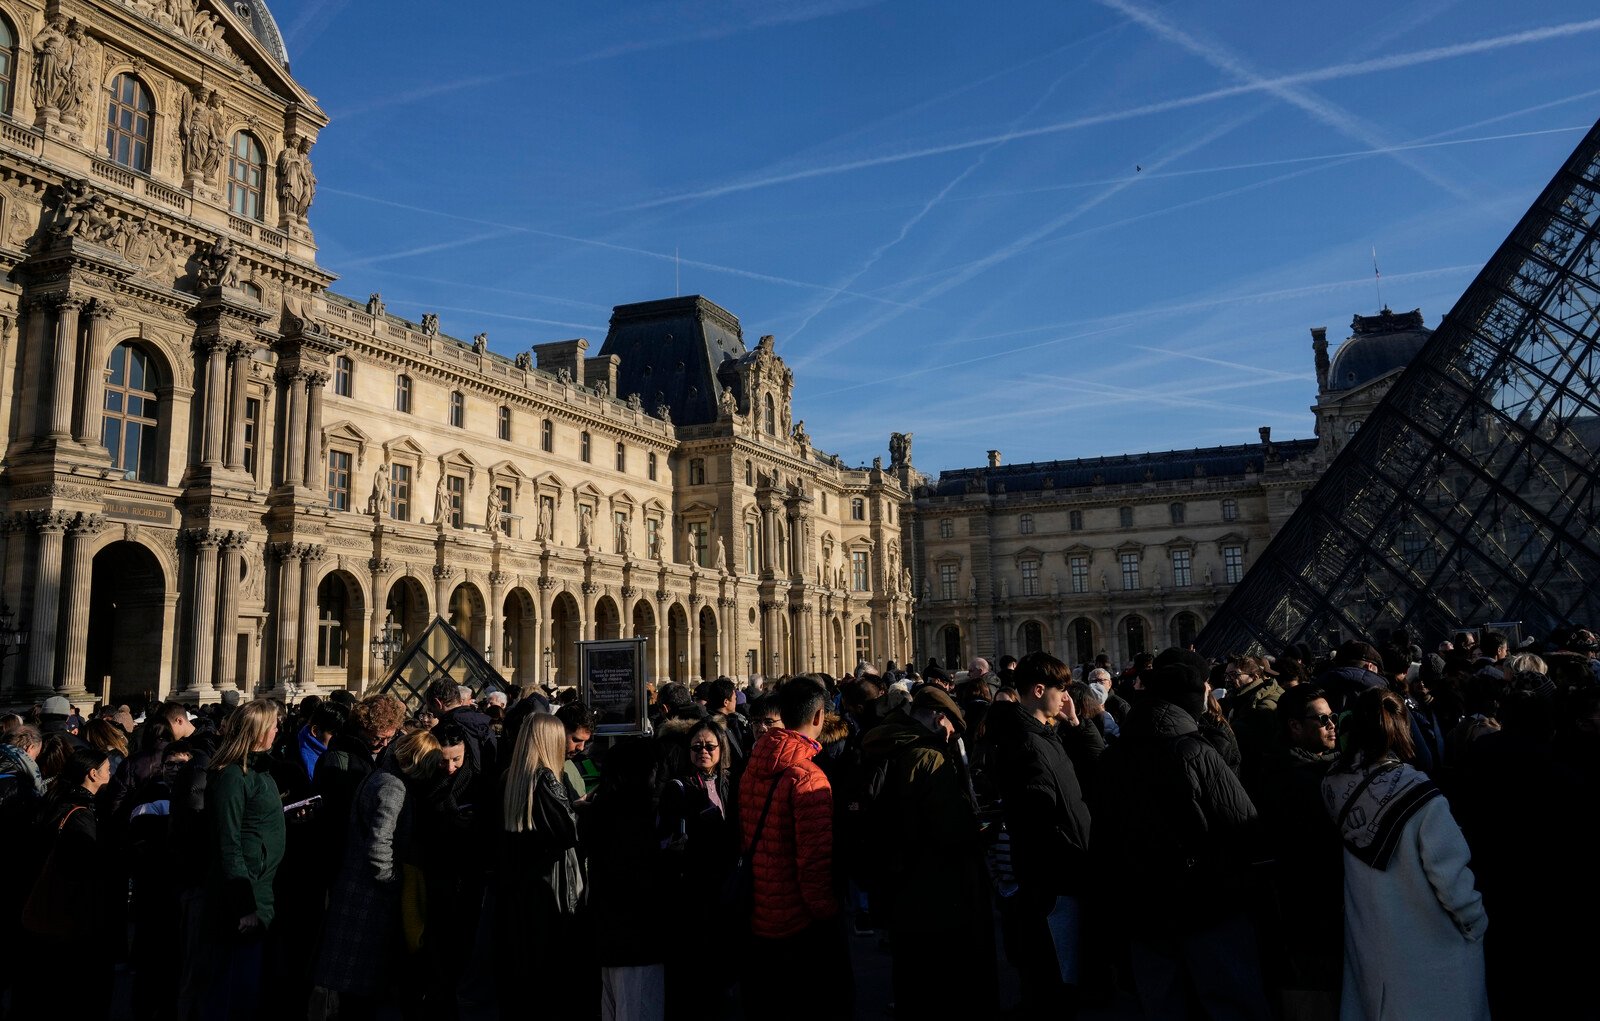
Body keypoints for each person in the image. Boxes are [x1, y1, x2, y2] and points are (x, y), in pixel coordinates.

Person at [1091, 650, 1271, 1020]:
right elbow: (1243, 825)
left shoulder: (1113, 756)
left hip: (1142, 906)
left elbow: (1102, 838)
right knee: (1232, 1003)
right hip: (1207, 902)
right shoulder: (1196, 750)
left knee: (1163, 1006)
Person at [1322, 687, 1487, 1020]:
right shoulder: (1422, 795)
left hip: (1371, 946)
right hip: (1434, 950)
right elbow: (1451, 880)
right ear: (1402, 728)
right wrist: (1475, 923)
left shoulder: (1332, 785)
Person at [859, 685, 996, 1017]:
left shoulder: (888, 744)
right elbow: (950, 830)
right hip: (934, 884)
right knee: (939, 980)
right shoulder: (929, 756)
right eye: (951, 725)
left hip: (899, 880)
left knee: (910, 974)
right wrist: (984, 831)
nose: (952, 734)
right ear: (938, 718)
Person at [984, 651, 1100, 1013]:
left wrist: (1078, 724)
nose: (1067, 698)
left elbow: (1098, 765)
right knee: (1058, 977)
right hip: (1055, 877)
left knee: (1062, 973)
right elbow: (1041, 819)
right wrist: (1074, 856)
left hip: (1062, 872)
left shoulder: (1046, 735)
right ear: (1038, 690)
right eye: (1061, 690)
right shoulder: (1027, 744)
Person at [737, 675, 850, 1019]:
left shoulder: (754, 764)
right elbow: (813, 863)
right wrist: (827, 915)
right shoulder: (808, 777)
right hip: (797, 920)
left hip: (759, 908)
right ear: (818, 718)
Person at [314, 730, 444, 1019]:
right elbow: (379, 845)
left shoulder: (380, 775)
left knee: (354, 991)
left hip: (355, 888)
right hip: (369, 898)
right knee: (361, 994)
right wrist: (394, 881)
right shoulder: (394, 787)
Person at [495, 714, 586, 1016]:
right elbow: (569, 830)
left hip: (519, 886)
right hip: (549, 882)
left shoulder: (511, 777)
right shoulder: (546, 777)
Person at [15, 746, 114, 1018]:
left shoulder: (55, 799)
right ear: (92, 775)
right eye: (107, 770)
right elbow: (84, 867)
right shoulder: (81, 813)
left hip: (43, 912)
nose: (111, 774)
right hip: (70, 917)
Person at [202, 700, 286, 1021]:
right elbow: (228, 843)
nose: (278, 729)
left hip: (260, 890)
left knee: (249, 989)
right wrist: (244, 905)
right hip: (244, 898)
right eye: (273, 725)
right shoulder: (232, 777)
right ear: (258, 731)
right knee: (234, 990)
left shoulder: (257, 769)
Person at [582, 739, 673, 1021]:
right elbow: (640, 878)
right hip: (638, 938)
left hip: (610, 937)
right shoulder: (636, 815)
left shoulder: (601, 808)